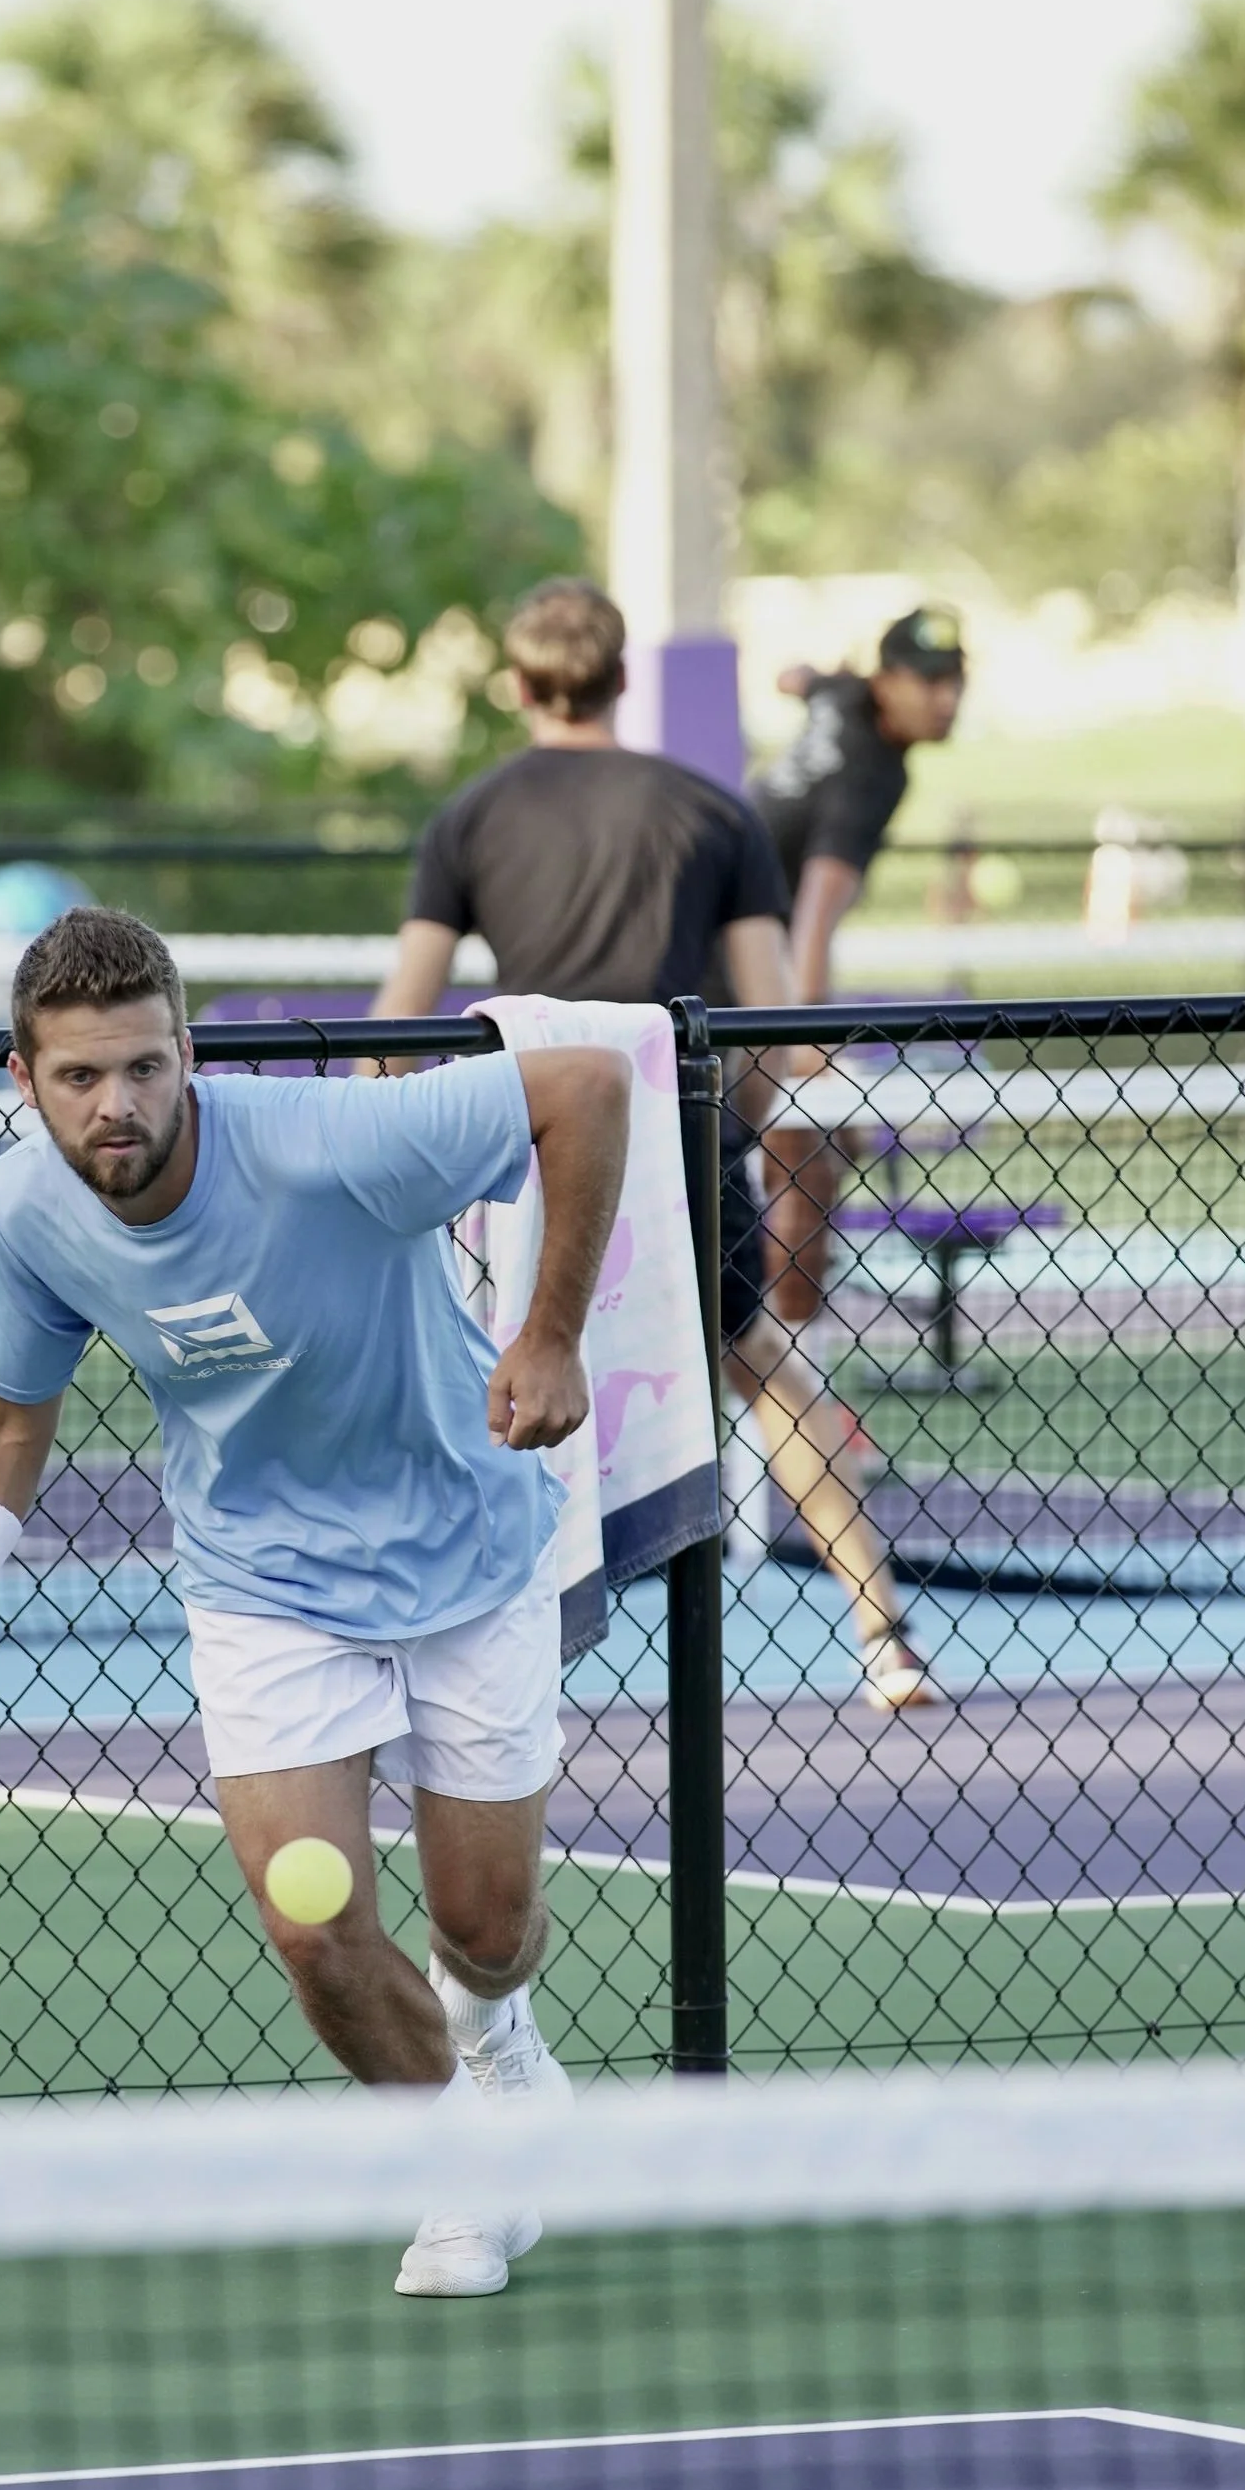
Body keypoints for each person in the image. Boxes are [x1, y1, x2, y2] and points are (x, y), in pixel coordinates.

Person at [0, 905, 634, 2298]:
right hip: (264, 1589)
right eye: (78, 1077)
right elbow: (7, 1425)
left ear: (186, 1053)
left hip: (467, 1551)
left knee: (484, 1930)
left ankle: (494, 2035)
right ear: (23, 1084)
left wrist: (548, 1333)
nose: (116, 1102)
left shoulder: (329, 1146)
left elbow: (588, 1089)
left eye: (144, 1066)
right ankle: (456, 2176)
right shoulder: (25, 1214)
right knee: (312, 1925)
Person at [367, 574, 933, 1712]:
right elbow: (772, 1017)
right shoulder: (709, 811)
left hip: (516, 1143)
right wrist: (745, 1123)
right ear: (623, 680)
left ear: (519, 685)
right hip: (674, 1131)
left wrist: (381, 1141)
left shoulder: (469, 818)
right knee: (764, 1366)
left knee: (468, 1375)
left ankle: (429, 1652)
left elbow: (397, 1025)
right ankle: (881, 1633)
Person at [748, 605, 968, 1329]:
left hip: (735, 951)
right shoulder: (874, 773)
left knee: (833, 1142)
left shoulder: (840, 695)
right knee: (805, 1162)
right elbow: (814, 911)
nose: (945, 699)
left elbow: (799, 678)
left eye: (954, 680)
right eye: (927, 681)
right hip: (740, 969)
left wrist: (803, 679)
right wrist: (803, 1032)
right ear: (887, 683)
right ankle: (782, 1390)